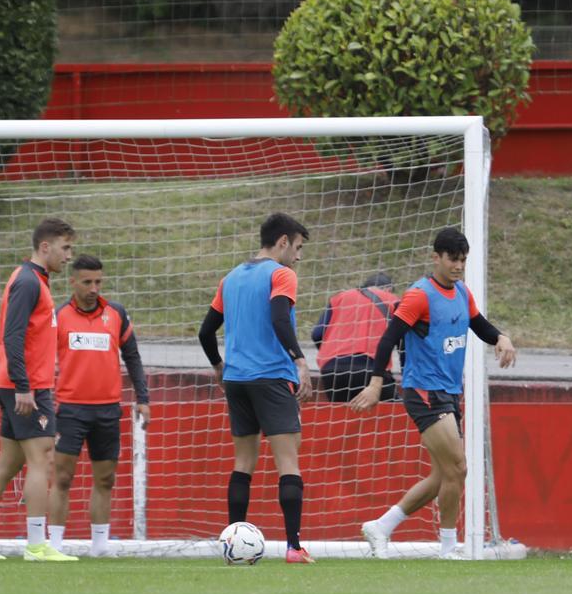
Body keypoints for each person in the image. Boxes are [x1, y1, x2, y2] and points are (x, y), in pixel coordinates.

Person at [351, 228, 516, 559]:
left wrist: (501, 337)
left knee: (443, 474)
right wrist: (376, 381)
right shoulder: (419, 296)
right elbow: (388, 339)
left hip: (449, 391)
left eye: (463, 261)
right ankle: (447, 548)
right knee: (458, 467)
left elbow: (479, 325)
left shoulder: (462, 293)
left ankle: (381, 526)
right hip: (424, 390)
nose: (458, 266)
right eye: (453, 259)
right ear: (436, 257)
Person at [0, 218, 78, 561]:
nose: (69, 255)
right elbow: (13, 336)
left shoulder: (33, 279)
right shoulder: (27, 282)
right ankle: (37, 546)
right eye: (65, 247)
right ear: (45, 247)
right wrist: (25, 387)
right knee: (43, 459)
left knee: (9, 462)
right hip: (25, 388)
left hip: (17, 385)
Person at [198, 213, 315, 564]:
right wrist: (299, 359)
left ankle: (233, 543)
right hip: (271, 376)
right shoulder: (282, 274)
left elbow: (205, 332)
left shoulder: (231, 277)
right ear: (282, 242)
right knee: (288, 462)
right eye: (296, 248)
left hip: (236, 380)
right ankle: (294, 547)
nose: (297, 256)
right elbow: (280, 317)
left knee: (244, 462)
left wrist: (219, 366)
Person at [48, 254, 151, 557]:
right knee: (63, 478)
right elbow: (40, 359)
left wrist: (143, 399)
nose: (94, 288)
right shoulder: (59, 316)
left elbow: (133, 358)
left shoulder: (116, 314)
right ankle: (54, 545)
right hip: (70, 409)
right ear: (73, 282)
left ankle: (99, 546)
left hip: (108, 409)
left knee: (105, 478)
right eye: (87, 282)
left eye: (98, 282)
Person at [311, 272, 399, 403]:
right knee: (392, 414)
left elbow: (317, 334)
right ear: (388, 289)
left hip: (332, 369)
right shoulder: (392, 299)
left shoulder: (339, 298)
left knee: (341, 417)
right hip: (370, 367)